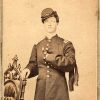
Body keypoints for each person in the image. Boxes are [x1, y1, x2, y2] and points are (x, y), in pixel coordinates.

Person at [21, 8, 79, 100]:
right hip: (41, 91)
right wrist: (28, 69)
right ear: (43, 24)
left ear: (57, 23)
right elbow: (34, 64)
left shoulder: (66, 44)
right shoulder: (37, 45)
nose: (50, 24)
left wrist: (51, 57)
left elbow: (71, 63)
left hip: (59, 92)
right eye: (47, 21)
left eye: (52, 21)